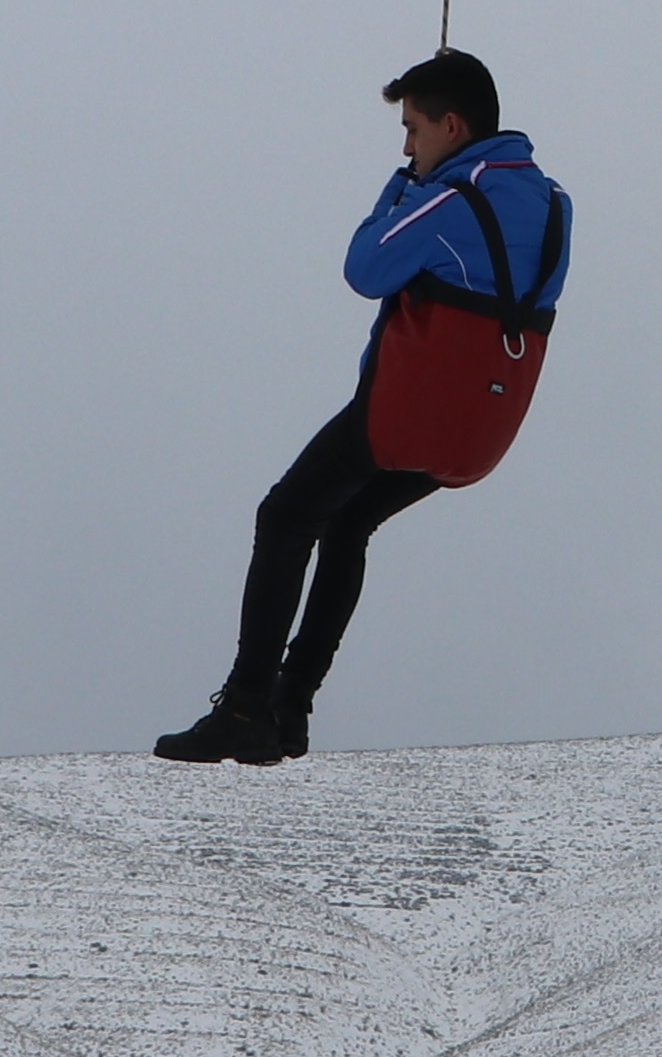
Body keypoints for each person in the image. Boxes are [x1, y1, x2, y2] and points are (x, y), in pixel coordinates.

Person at [158, 55, 572, 768]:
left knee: (286, 514)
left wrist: (402, 189)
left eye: (412, 129)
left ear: (451, 125)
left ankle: (250, 705)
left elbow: (364, 267)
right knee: (349, 519)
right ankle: (294, 704)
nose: (407, 147)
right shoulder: (555, 201)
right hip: (483, 433)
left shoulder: (450, 198)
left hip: (409, 414)